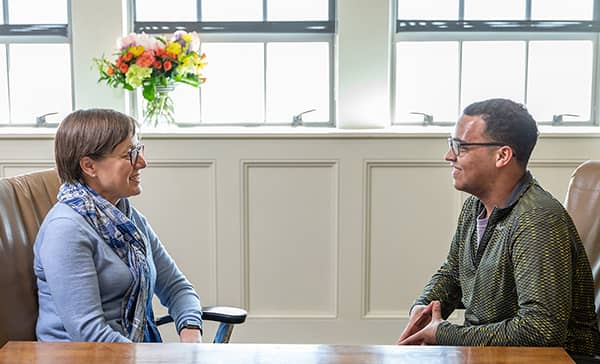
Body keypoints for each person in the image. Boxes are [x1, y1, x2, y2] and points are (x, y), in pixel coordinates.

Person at [396, 98, 600, 357]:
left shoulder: (537, 221)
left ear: (502, 155)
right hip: (490, 355)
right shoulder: (474, 207)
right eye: (451, 144)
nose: (449, 155)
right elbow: (454, 272)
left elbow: (540, 330)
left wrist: (444, 333)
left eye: (462, 146)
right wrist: (424, 308)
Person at [34, 109, 203, 343]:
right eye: (129, 154)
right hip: (82, 358)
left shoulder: (127, 219)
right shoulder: (65, 230)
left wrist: (191, 333)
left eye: (138, 150)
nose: (142, 162)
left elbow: (176, 287)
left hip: (129, 353)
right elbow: (89, 334)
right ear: (89, 166)